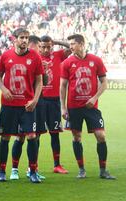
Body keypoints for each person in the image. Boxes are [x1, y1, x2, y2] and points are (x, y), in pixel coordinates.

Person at [60, 34, 116, 180]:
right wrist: (63, 107)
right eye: (70, 44)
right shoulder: (67, 63)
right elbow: (63, 86)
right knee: (76, 137)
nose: (70, 47)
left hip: (92, 107)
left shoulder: (96, 60)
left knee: (101, 136)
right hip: (74, 107)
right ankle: (81, 170)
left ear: (82, 44)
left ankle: (103, 170)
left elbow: (104, 83)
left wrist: (94, 97)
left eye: (73, 44)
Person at [0, 28, 44, 183]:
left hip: (27, 106)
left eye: (26, 37)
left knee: (31, 136)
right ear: (14, 39)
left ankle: (33, 171)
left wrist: (35, 100)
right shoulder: (6, 55)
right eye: (22, 37)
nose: (24, 40)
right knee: (5, 137)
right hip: (9, 105)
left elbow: (39, 81)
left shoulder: (35, 56)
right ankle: (2, 171)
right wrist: (4, 89)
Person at [38, 35, 71, 174]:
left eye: (48, 46)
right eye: (43, 47)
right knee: (36, 134)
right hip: (39, 100)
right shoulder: (35, 58)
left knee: (55, 133)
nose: (46, 49)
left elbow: (71, 47)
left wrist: (56, 41)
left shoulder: (57, 55)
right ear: (39, 46)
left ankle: (57, 165)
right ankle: (33, 165)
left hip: (54, 100)